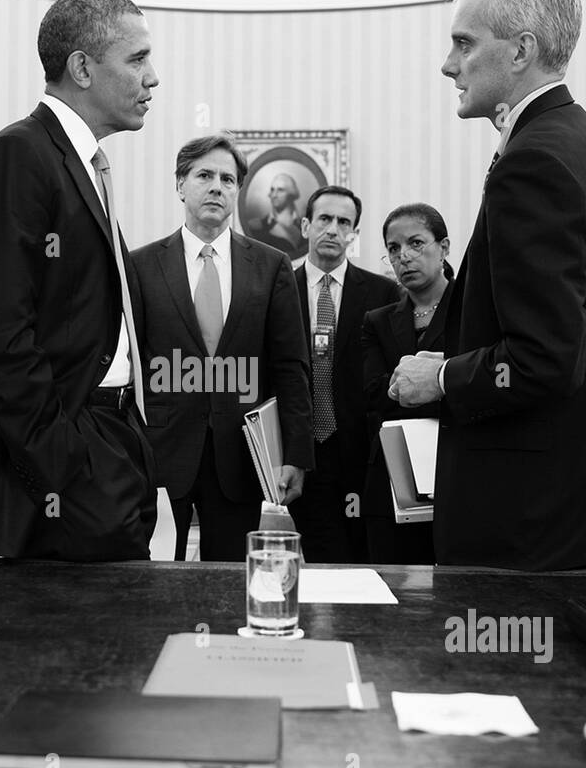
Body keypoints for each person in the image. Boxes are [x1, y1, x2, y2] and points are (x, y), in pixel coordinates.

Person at [390, 0, 586, 571]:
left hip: (526, 513)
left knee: (494, 665)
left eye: (464, 43)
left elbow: (544, 361)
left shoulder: (536, 162)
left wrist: (437, 378)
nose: (448, 64)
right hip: (570, 497)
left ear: (521, 50)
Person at [0, 0, 161, 561]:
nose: (153, 78)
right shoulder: (18, 155)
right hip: (63, 472)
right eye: (137, 59)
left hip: (111, 443)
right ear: (81, 67)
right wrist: (66, 467)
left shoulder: (80, 163)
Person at [129, 135, 313, 561]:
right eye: (204, 175)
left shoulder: (271, 266)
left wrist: (296, 454)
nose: (216, 186)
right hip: (160, 456)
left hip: (242, 458)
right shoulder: (140, 266)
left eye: (228, 179)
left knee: (229, 585)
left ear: (238, 191)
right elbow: (131, 364)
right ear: (180, 185)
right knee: (153, 582)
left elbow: (290, 366)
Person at [288, 185, 400, 563]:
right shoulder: (278, 286)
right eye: (324, 219)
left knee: (359, 557)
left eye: (344, 222)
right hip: (299, 450)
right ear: (305, 225)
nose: (333, 229)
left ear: (353, 232)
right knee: (310, 557)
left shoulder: (384, 293)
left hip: (358, 451)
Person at [362, 203, 457, 565]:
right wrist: (439, 382)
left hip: (455, 469)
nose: (404, 257)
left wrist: (427, 384)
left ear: (444, 247)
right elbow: (373, 394)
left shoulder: (473, 310)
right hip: (391, 473)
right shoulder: (377, 320)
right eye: (394, 248)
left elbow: (480, 387)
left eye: (416, 243)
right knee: (393, 587)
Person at [245, 172, 303, 257]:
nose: (274, 195)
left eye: (280, 190)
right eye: (272, 190)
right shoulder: (256, 227)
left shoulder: (304, 226)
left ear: (291, 195)